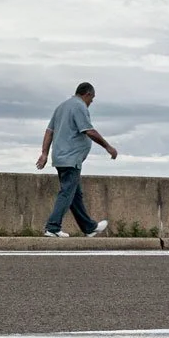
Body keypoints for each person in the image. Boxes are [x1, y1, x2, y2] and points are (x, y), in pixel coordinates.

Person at [36, 82, 117, 237]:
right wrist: (108, 147)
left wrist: (45, 153)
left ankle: (89, 227)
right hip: (70, 158)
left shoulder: (61, 107)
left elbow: (49, 131)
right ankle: (52, 227)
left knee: (75, 195)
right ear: (87, 94)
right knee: (67, 192)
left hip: (60, 157)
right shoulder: (79, 106)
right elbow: (89, 131)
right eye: (91, 100)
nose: (90, 104)